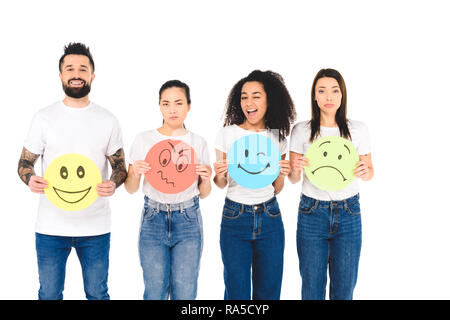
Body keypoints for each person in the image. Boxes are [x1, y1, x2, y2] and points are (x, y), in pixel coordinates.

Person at [17, 43, 127, 300]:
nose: (76, 74)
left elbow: (120, 166)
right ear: (61, 75)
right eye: (70, 69)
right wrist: (30, 179)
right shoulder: (43, 117)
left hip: (96, 227)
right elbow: (24, 163)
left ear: (92, 76)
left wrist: (113, 182)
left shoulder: (107, 119)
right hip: (51, 228)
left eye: (83, 69)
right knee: (49, 294)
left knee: (97, 294)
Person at [289, 68, 374, 300]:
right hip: (311, 212)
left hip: (349, 213)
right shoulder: (301, 130)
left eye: (334, 91)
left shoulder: (358, 129)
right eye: (322, 91)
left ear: (342, 95)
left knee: (344, 290)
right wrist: (295, 169)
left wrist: (366, 171)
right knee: (311, 289)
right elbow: (293, 179)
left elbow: (369, 171)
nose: (329, 97)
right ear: (314, 96)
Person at [124, 80, 211, 300]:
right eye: (166, 103)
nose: (172, 109)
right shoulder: (144, 139)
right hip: (153, 217)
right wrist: (134, 172)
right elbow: (131, 189)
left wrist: (207, 179)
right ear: (159, 106)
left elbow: (204, 192)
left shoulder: (197, 142)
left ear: (188, 106)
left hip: (188, 218)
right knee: (154, 289)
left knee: (185, 290)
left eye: (179, 103)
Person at [213, 70, 296, 300]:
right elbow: (220, 184)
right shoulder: (227, 134)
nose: (249, 102)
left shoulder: (278, 137)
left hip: (270, 216)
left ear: (270, 99)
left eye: (256, 96)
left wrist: (281, 173)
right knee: (236, 292)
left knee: (268, 292)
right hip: (234, 216)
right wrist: (219, 173)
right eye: (243, 96)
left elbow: (276, 188)